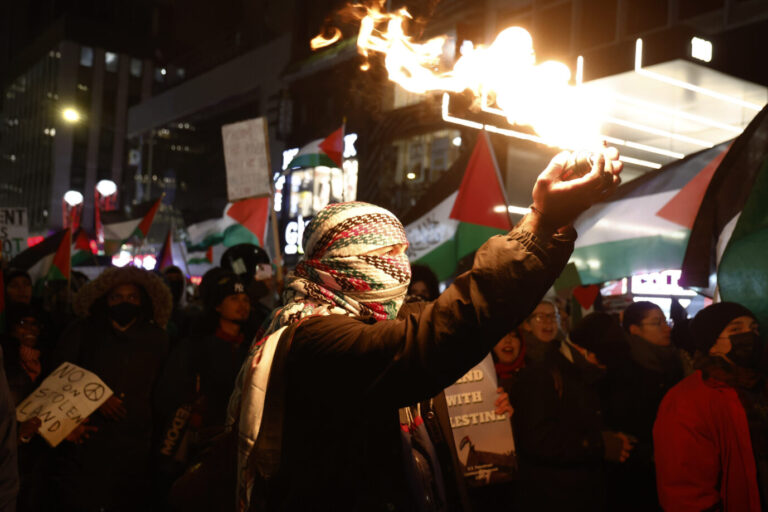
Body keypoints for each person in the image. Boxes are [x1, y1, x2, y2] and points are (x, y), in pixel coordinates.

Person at [225, 148, 622, 511]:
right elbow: (442, 333)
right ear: (340, 260)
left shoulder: (382, 318)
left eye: (403, 253)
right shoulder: (311, 338)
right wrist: (539, 222)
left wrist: (487, 405)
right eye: (385, 254)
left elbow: (466, 314)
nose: (402, 267)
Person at [54, 266, 172, 511]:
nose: (124, 302)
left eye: (132, 297)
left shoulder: (157, 338)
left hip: (137, 441)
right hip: (87, 439)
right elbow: (60, 373)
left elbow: (164, 390)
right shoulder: (83, 331)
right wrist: (95, 397)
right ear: (104, 299)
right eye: (116, 297)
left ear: (143, 301)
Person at [511, 312, 633, 512]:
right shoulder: (541, 376)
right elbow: (537, 439)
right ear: (583, 349)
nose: (604, 366)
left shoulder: (586, 374)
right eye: (601, 359)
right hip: (554, 497)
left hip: (585, 494)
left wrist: (611, 438)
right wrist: (599, 444)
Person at [654, 302, 765, 511]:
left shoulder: (758, 385)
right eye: (736, 329)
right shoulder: (687, 400)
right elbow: (685, 491)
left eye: (754, 329)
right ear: (712, 345)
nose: (749, 336)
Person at [570, 312, 658, 511]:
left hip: (621, 472)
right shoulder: (638, 370)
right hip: (637, 471)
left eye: (585, 350)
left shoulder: (600, 379)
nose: (586, 356)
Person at [520, 299, 561, 363]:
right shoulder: (521, 357)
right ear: (527, 325)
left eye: (554, 316)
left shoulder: (566, 351)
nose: (549, 321)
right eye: (540, 317)